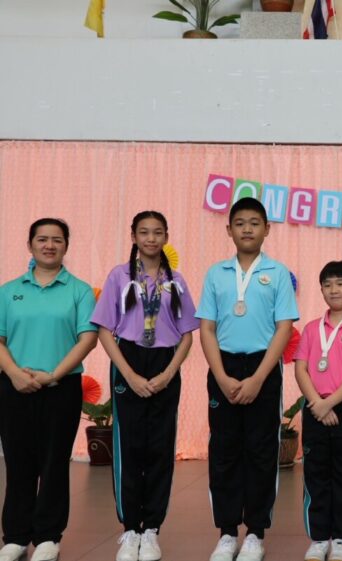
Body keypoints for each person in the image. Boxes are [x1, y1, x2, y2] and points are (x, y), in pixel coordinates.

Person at [91, 211, 200, 561]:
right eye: (144, 232)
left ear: (166, 237)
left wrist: (168, 373)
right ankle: (130, 530)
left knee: (160, 447)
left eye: (157, 232)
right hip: (129, 360)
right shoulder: (119, 276)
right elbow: (104, 330)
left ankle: (151, 529)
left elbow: (187, 334)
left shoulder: (176, 280)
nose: (151, 238)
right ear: (134, 236)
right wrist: (129, 375)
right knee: (129, 447)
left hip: (165, 361)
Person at [196, 198, 298, 561]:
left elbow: (284, 328)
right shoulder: (216, 273)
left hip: (263, 367)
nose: (247, 229)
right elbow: (206, 328)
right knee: (223, 451)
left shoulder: (278, 273)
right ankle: (227, 533)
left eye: (255, 223)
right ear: (229, 230)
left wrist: (258, 378)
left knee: (260, 451)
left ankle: (255, 532)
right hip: (223, 366)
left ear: (267, 229)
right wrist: (221, 376)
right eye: (240, 223)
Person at [0, 218, 98, 561]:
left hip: (61, 387)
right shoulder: (9, 290)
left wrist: (53, 374)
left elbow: (88, 339)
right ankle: (15, 536)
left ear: (66, 246)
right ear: (30, 245)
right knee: (18, 462)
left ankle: (48, 536)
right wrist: (14, 373)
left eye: (57, 240)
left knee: (55, 462)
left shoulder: (79, 291)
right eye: (42, 239)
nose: (49, 245)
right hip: (14, 386)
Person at [294, 261, 342, 561]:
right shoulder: (312, 328)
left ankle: (341, 538)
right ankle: (318, 538)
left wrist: (329, 403)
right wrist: (317, 402)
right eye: (327, 285)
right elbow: (301, 369)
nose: (333, 290)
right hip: (315, 405)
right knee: (315, 472)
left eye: (340, 283)